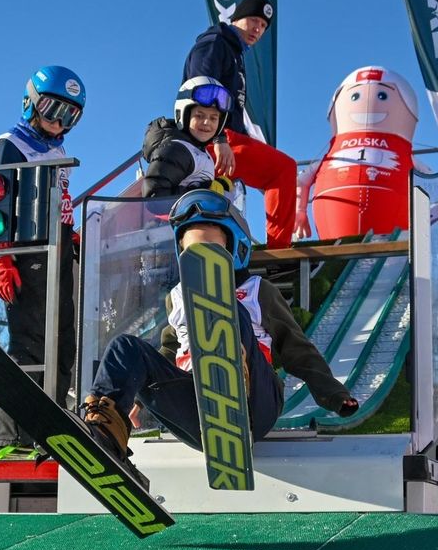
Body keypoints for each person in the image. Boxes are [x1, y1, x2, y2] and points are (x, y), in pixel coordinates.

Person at [80, 190, 359, 482]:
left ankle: (232, 383)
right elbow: (167, 352)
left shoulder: (257, 291)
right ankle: (105, 434)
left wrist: (334, 395)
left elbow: (296, 348)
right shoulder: (177, 297)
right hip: (196, 410)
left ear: (235, 249)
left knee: (229, 309)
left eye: (211, 250)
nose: (201, 260)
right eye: (193, 253)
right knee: (125, 347)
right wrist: (137, 398)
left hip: (255, 406)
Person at [0, 65, 85, 450]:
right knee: (29, 342)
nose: (58, 122)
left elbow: (60, 199)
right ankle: (16, 436)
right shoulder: (12, 142)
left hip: (58, 245)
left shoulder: (57, 149)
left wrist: (72, 230)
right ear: (30, 103)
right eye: (52, 110)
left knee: (63, 340)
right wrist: (3, 259)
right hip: (27, 245)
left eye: (69, 115)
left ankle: (53, 429)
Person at [182, 0, 306, 248]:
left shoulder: (235, 53)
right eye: (253, 20)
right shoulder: (215, 43)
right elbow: (201, 89)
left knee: (271, 174)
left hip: (227, 137)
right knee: (283, 170)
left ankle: (235, 247)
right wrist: (218, 139)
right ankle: (279, 252)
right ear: (236, 18)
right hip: (209, 138)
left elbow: (234, 112)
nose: (257, 29)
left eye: (263, 26)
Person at [142, 77, 235, 199]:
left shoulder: (200, 152)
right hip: (172, 218)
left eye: (213, 118)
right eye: (199, 116)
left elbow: (188, 182)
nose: (207, 122)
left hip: (199, 217)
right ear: (183, 115)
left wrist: (217, 186)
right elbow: (154, 196)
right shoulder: (177, 149)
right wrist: (203, 192)